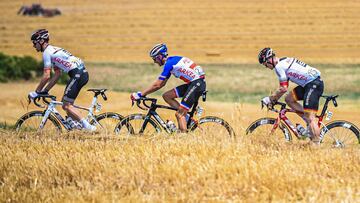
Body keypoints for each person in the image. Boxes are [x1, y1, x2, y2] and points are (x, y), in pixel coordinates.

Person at [28, 29, 96, 131]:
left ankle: (89, 128)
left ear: (41, 41)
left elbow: (46, 76)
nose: (34, 46)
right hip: (80, 73)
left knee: (66, 105)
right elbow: (57, 75)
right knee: (68, 106)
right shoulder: (53, 49)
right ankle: (79, 128)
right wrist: (45, 91)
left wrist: (36, 92)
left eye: (34, 43)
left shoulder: (47, 53)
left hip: (77, 74)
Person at [130, 43, 206, 132]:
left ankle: (184, 137)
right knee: (167, 96)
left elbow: (158, 85)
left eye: (155, 59)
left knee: (179, 114)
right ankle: (187, 118)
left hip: (196, 84)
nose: (154, 61)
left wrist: (140, 94)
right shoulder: (172, 61)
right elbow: (161, 84)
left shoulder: (169, 64)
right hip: (195, 83)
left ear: (160, 57)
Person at [258, 47, 324, 144]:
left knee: (311, 117)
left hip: (313, 84)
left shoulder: (279, 67)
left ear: (269, 59)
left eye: (265, 64)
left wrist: (270, 99)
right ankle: (309, 126)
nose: (266, 67)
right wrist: (274, 99)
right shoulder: (284, 61)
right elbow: (284, 87)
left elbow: (283, 88)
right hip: (308, 84)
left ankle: (316, 145)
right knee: (289, 99)